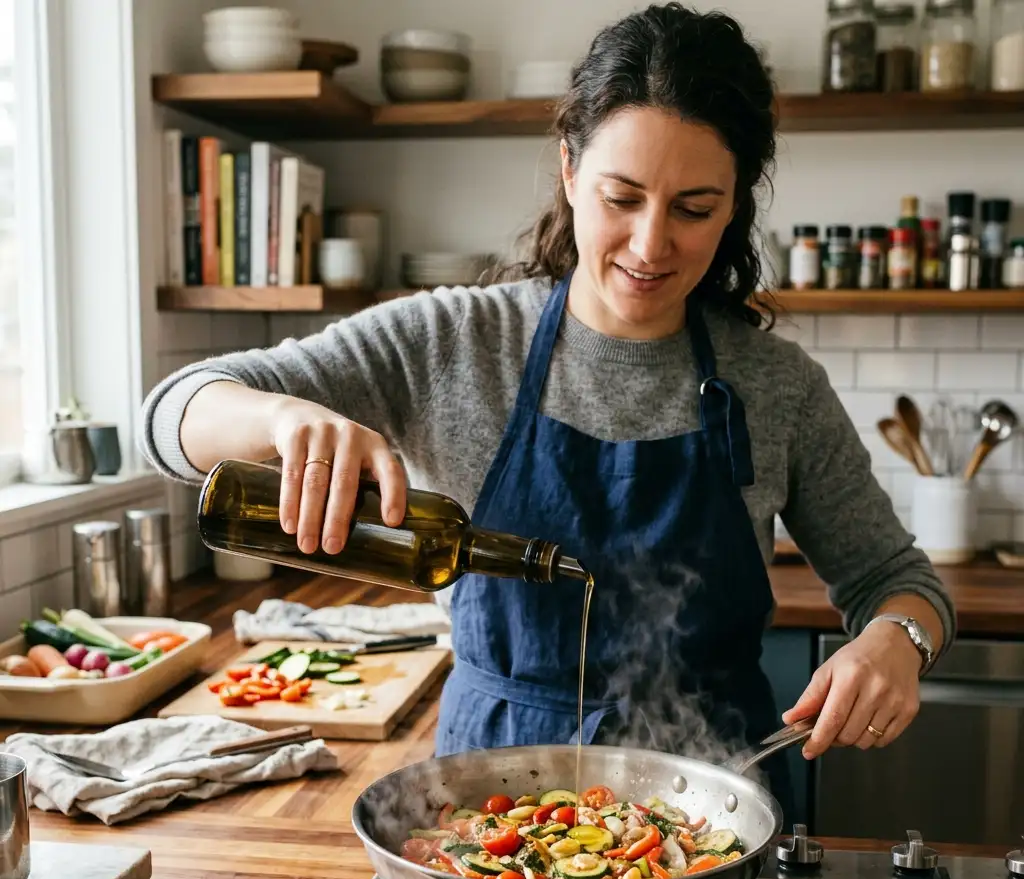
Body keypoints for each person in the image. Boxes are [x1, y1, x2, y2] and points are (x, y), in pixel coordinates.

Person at [141, 3, 953, 820]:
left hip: (710, 813)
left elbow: (896, 580)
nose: (649, 244)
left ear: (736, 204)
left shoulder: (776, 385)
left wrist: (899, 639)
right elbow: (171, 414)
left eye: (694, 208)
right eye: (622, 197)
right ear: (569, 171)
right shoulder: (452, 340)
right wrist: (280, 420)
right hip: (488, 816)